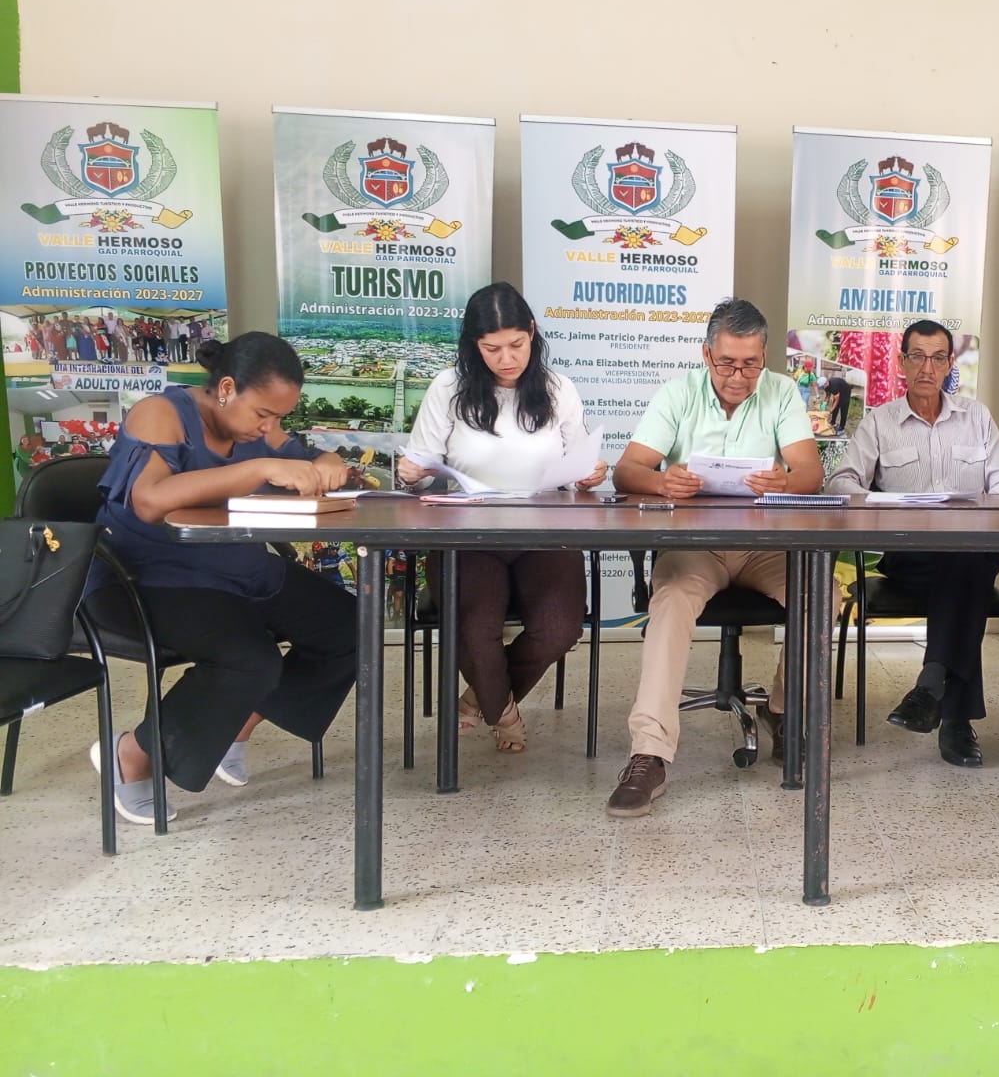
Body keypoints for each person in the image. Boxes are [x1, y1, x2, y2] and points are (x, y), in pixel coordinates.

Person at [84, 332, 358, 826]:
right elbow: (149, 500)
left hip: (237, 567)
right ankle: (133, 754)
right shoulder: (160, 414)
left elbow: (305, 457)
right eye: (263, 414)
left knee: (352, 625)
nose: (270, 427)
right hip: (147, 577)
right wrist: (260, 467)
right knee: (249, 660)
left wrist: (326, 464)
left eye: (279, 418)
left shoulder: (259, 431)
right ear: (228, 388)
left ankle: (234, 726)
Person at [607, 297, 823, 816]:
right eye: (726, 363)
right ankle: (648, 754)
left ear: (764, 356)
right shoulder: (678, 393)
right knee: (671, 601)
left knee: (820, 594)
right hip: (694, 547)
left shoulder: (780, 391)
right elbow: (626, 471)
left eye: (750, 364)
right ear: (706, 354)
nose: (738, 377)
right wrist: (663, 481)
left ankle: (782, 712)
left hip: (764, 547)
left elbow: (811, 473)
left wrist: (785, 483)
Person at [396, 282, 607, 753]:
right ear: (474, 345)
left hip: (545, 531)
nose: (507, 359)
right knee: (475, 630)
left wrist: (591, 474)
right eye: (492, 349)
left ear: (532, 332)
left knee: (560, 628)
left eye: (517, 344)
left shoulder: (558, 389)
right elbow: (419, 470)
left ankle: (480, 699)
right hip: (466, 533)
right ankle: (503, 713)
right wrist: (411, 473)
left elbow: (578, 469)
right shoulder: (448, 388)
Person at [828, 320, 999, 767]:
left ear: (951, 364)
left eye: (937, 358)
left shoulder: (977, 417)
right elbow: (841, 482)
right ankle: (955, 718)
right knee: (966, 574)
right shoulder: (880, 422)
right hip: (910, 558)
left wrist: (982, 505)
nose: (927, 368)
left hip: (970, 552)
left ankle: (931, 686)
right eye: (917, 357)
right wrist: (882, 504)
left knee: (964, 558)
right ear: (901, 362)